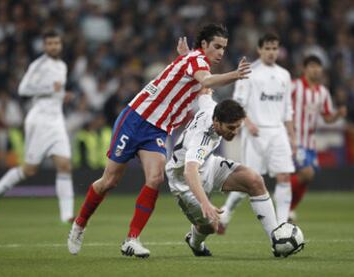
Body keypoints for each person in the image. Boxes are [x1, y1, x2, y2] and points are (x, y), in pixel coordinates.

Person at [67, 23, 251, 257]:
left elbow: (200, 83)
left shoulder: (193, 61)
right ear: (204, 45)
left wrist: (185, 58)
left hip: (158, 130)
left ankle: (131, 239)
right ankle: (80, 224)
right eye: (217, 46)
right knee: (109, 181)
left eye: (224, 48)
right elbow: (206, 81)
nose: (221, 53)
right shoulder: (198, 61)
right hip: (136, 119)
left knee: (155, 178)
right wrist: (235, 74)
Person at [166, 92, 283, 257]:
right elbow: (189, 171)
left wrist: (207, 71)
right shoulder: (202, 139)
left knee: (254, 180)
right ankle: (195, 242)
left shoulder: (212, 108)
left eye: (237, 127)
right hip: (184, 183)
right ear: (216, 122)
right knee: (211, 227)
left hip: (208, 164)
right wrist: (205, 203)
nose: (234, 132)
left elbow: (204, 90)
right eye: (230, 128)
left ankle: (276, 240)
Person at [0, 30, 75, 223]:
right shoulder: (38, 65)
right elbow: (23, 89)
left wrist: (62, 95)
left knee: (64, 165)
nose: (53, 46)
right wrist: (49, 90)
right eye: (50, 43)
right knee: (29, 170)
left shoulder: (62, 65)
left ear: (60, 45)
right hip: (40, 120)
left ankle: (67, 216)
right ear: (44, 46)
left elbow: (56, 92)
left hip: (57, 120)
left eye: (56, 43)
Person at [217, 33, 296, 233]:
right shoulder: (250, 72)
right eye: (267, 48)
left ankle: (282, 225)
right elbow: (239, 102)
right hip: (256, 133)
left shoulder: (284, 75)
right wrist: (248, 123)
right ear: (259, 50)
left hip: (278, 132)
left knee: (284, 176)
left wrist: (292, 136)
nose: (271, 52)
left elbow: (287, 109)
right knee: (249, 180)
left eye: (274, 48)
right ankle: (225, 214)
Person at [289, 55, 347, 219]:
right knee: (306, 172)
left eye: (318, 66)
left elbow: (327, 118)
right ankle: (281, 196)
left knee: (308, 177)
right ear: (304, 68)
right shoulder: (294, 86)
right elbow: (282, 105)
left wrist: (337, 115)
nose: (315, 69)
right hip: (293, 139)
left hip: (310, 143)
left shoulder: (323, 92)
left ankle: (289, 208)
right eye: (312, 66)